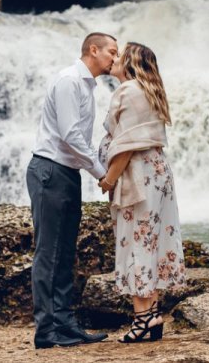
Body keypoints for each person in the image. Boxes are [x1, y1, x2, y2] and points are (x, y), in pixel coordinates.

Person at [26, 32, 119, 349]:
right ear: (93, 50)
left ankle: (65, 327)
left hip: (65, 172)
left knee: (64, 254)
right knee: (48, 254)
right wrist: (103, 173)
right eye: (111, 52)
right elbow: (69, 135)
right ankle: (46, 331)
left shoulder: (85, 85)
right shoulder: (69, 81)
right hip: (50, 170)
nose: (114, 59)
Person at [98, 42, 186, 343]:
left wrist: (108, 180)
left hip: (138, 173)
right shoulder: (149, 90)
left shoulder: (127, 91)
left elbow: (125, 145)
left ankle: (142, 319)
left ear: (131, 63)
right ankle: (153, 314)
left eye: (120, 55)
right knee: (153, 239)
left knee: (136, 240)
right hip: (158, 172)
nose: (115, 58)